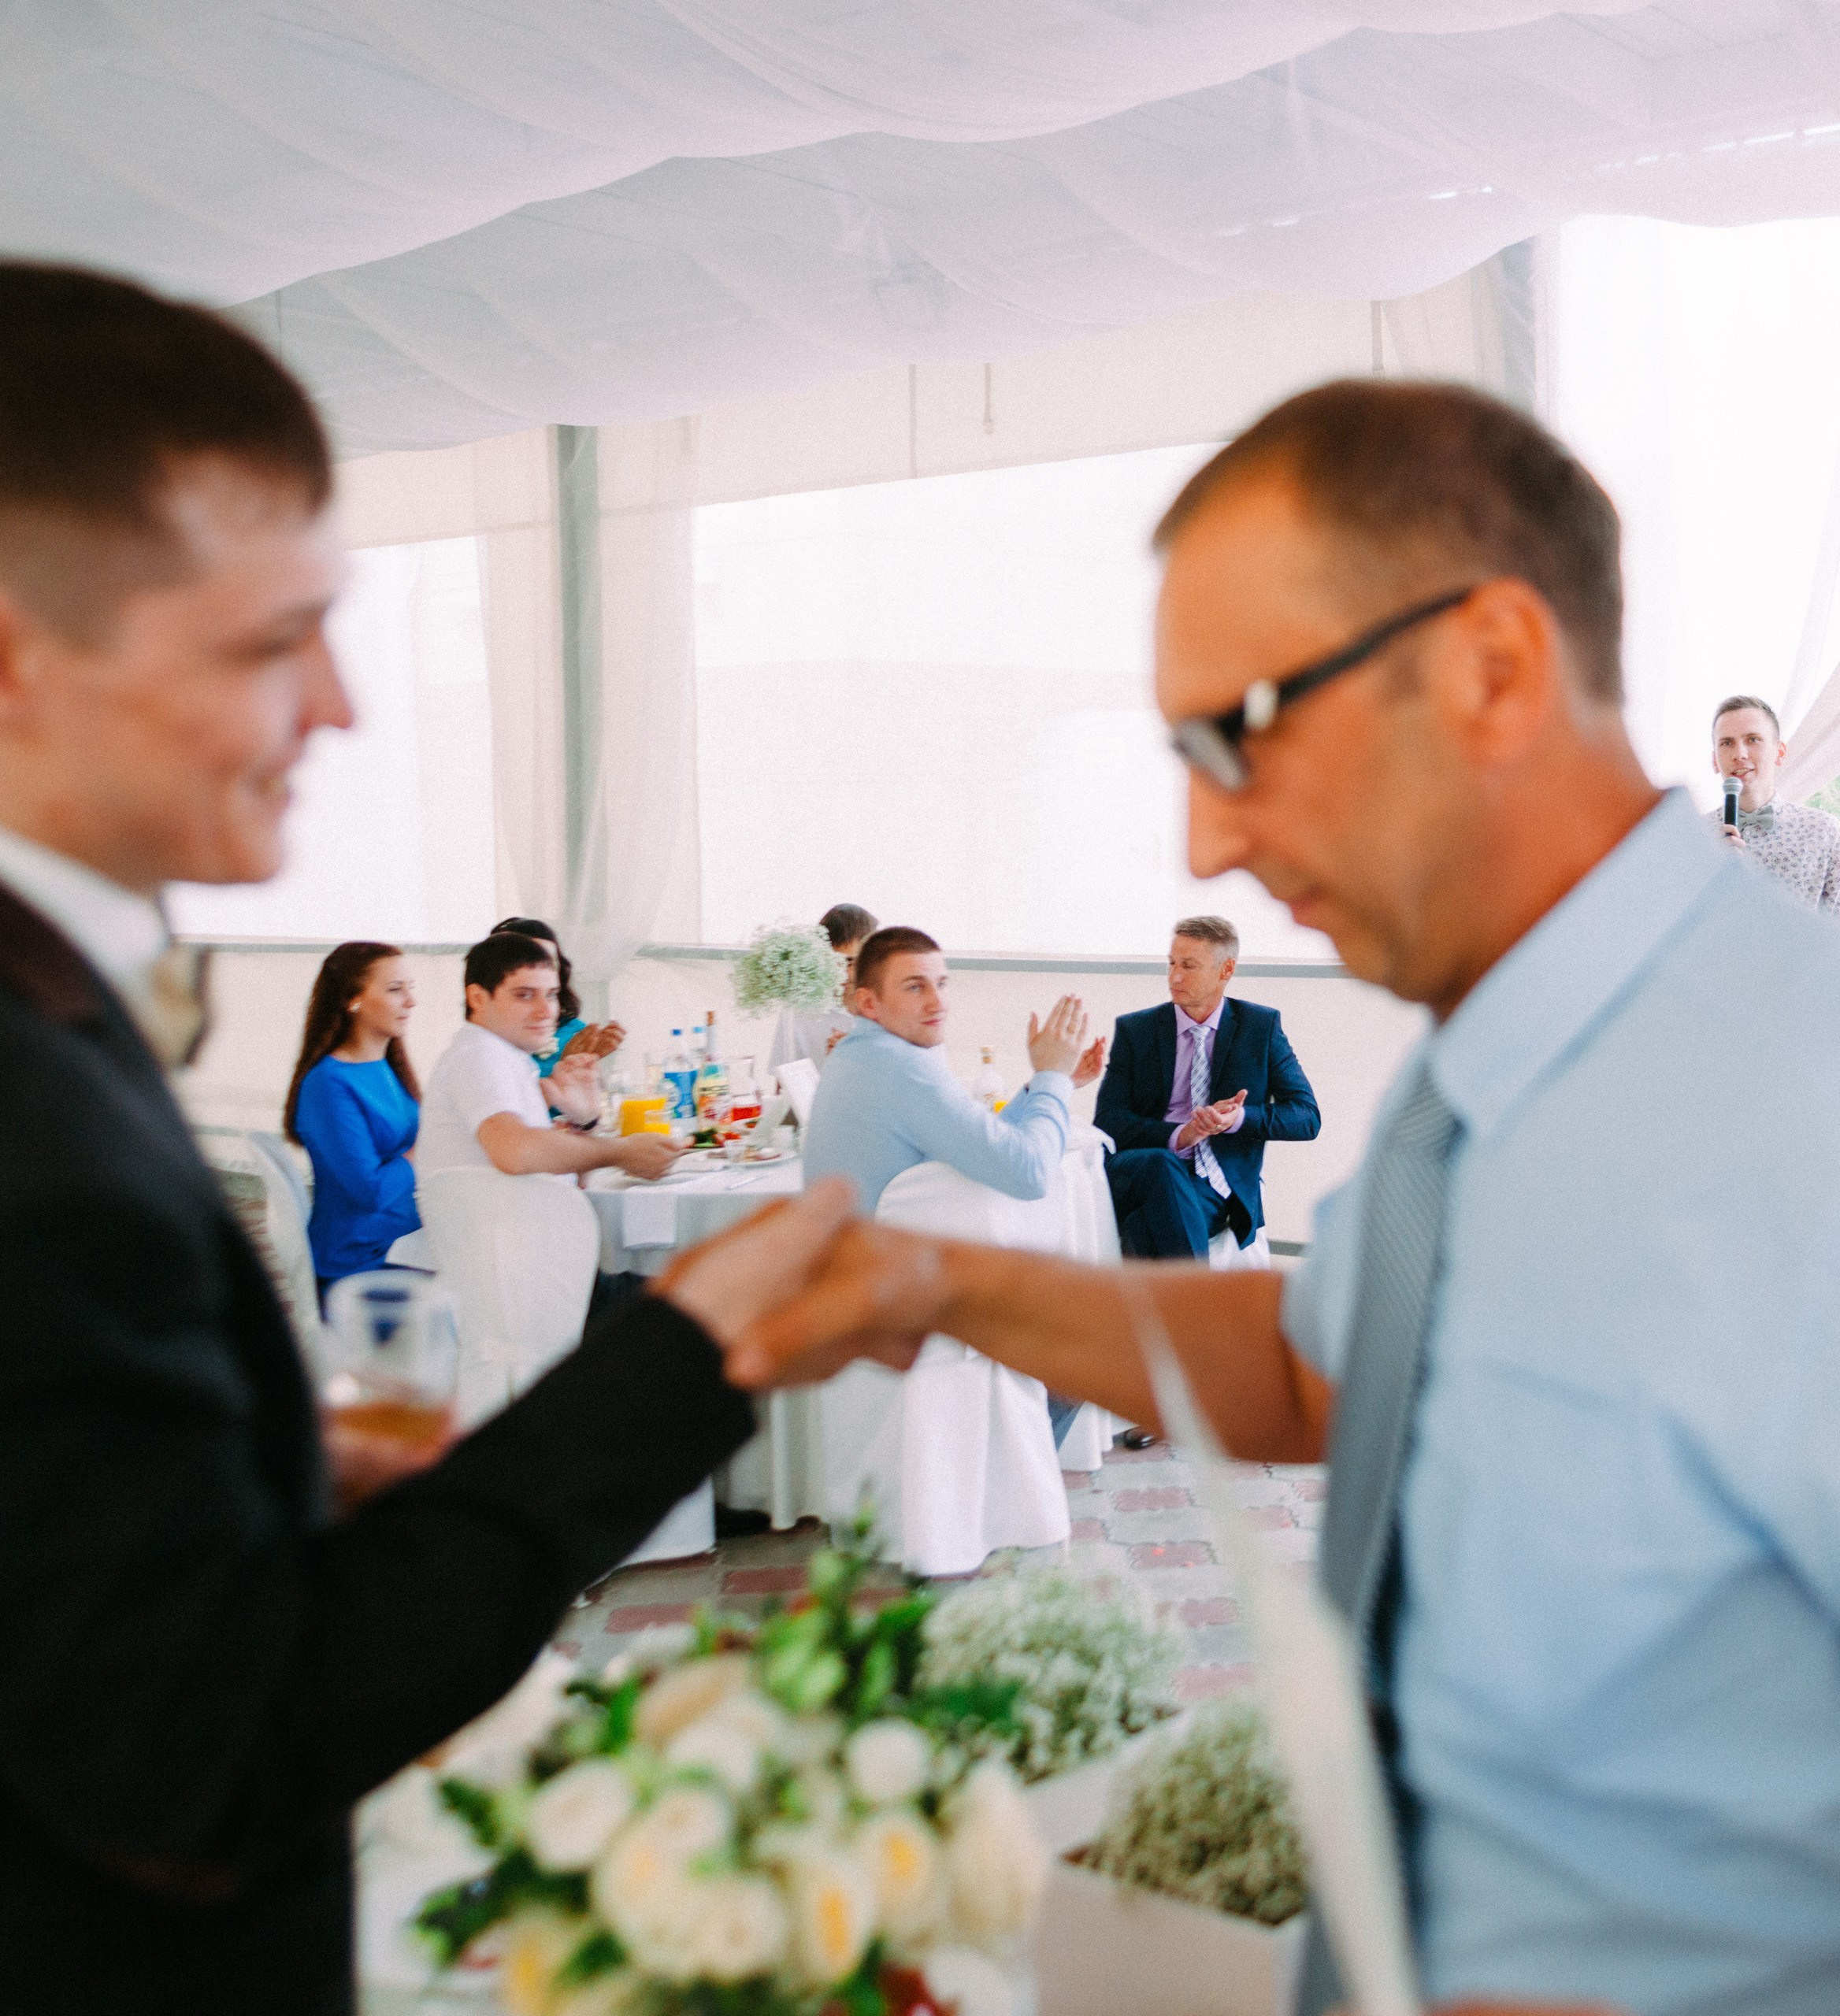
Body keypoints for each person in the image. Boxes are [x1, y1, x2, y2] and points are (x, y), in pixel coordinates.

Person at [0, 258, 874, 2016]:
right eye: (265, 639)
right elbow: (224, 1745)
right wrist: (700, 1346)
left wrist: (244, 1481)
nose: (339, 706)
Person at [722, 380, 1840, 2016]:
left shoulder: (1790, 1086)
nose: (1205, 831)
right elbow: (1336, 1362)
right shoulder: (1482, 1061)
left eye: (1234, 728)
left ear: (1493, 667)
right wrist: (926, 1288)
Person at [803, 925, 1106, 1216]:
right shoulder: (902, 1066)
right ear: (869, 1003)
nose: (938, 1003)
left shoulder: (858, 1052)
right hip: (877, 1265)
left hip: (841, 1257)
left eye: (942, 984)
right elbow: (1033, 1174)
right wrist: (1051, 1076)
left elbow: (975, 1141)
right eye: (915, 987)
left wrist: (1050, 1082)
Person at [1095, 914, 1319, 1262]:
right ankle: (1203, 1308)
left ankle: (1174, 1310)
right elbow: (1108, 1120)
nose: (1175, 976)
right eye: (1171, 963)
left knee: (1143, 1228)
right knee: (1161, 1164)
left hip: (1211, 1183)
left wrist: (1238, 1119)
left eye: (1189, 965)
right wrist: (1179, 1136)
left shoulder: (1260, 1028)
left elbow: (1306, 1117)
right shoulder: (1136, 1030)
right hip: (1141, 1167)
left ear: (1225, 970)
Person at [421, 931, 679, 1186]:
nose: (546, 1012)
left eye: (551, 995)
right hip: (500, 1227)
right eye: (524, 995)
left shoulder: (508, 1056)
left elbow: (569, 1183)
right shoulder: (479, 1055)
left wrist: (584, 1121)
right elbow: (515, 1152)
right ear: (477, 998)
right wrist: (620, 1152)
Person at [284, 940, 421, 1298]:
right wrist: (422, 1151)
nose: (411, 1001)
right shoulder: (328, 1085)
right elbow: (370, 1191)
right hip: (357, 1267)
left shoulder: (388, 1067)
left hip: (403, 1242)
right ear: (352, 1000)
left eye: (411, 988)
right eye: (395, 989)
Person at [1708, 693, 1840, 912]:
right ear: (1715, 761)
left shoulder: (1823, 832)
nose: (1739, 754)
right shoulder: (1694, 835)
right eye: (1727, 743)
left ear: (1779, 753)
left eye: (1753, 740)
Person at [491, 913, 625, 1077]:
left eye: (550, 962)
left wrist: (587, 1064)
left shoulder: (575, 1033)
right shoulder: (486, 1044)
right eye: (531, 961)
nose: (542, 971)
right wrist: (565, 1067)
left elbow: (597, 1097)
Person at [770, 900, 877, 1068]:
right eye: (831, 962)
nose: (840, 973)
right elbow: (784, 1087)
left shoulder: (893, 1009)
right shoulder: (797, 1012)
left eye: (850, 962)